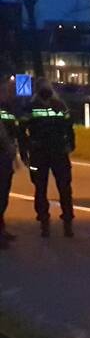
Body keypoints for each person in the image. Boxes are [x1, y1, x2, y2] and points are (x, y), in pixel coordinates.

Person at [18, 80, 75, 238]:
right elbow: (22, 132)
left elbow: (69, 126)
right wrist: (24, 151)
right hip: (42, 152)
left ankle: (66, 221)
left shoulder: (57, 105)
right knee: (42, 188)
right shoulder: (35, 107)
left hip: (53, 151)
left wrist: (71, 144)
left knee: (62, 188)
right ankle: (45, 221)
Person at [0, 87, 18, 249]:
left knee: (3, 195)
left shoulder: (8, 109)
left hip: (5, 157)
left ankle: (2, 228)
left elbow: (13, 131)